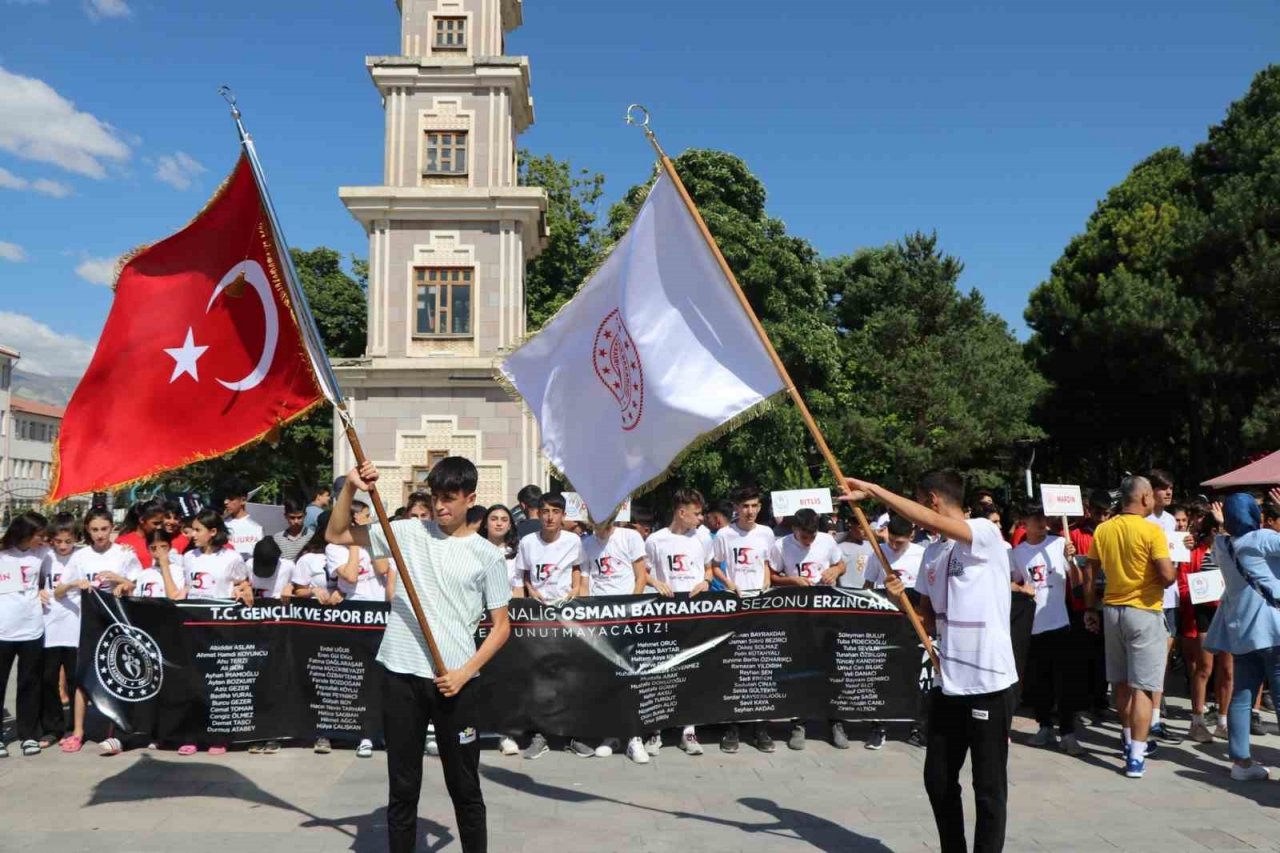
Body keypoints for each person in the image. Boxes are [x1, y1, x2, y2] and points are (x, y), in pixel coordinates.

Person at [327, 457, 512, 853]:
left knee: (464, 786)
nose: (441, 506)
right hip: (400, 675)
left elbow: (501, 628)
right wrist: (351, 488)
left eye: (450, 498)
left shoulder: (488, 555)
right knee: (403, 786)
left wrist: (465, 673)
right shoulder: (407, 533)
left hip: (455, 684)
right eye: (435, 498)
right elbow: (337, 533)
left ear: (471, 498)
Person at [842, 470, 1017, 853]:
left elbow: (934, 522)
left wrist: (874, 490)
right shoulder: (934, 554)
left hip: (988, 684)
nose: (920, 512)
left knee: (988, 789)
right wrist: (900, 599)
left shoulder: (985, 534)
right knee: (937, 778)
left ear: (932, 499)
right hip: (947, 681)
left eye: (920, 501)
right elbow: (927, 618)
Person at [1084, 475, 1176, 779]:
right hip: (1144, 611)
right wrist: (1170, 570)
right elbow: (1166, 575)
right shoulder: (1152, 531)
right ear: (1145, 498)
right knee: (1144, 687)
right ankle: (1136, 753)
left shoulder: (1103, 529)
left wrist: (1089, 607)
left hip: (1112, 610)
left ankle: (1126, 738)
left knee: (1121, 682)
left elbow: (1090, 572)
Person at [1204, 492, 1280, 781]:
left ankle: (1241, 763)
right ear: (1254, 516)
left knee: (1241, 695)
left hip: (1241, 632)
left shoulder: (1222, 545)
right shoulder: (1262, 539)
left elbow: (1230, 536)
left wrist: (1226, 524)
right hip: (1273, 630)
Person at [172, 509, 253, 757]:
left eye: (198, 530)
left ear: (213, 532)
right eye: (192, 530)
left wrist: (243, 592)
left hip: (220, 630)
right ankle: (192, 735)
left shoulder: (231, 558)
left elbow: (243, 584)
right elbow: (187, 586)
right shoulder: (189, 557)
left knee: (218, 684)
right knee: (193, 684)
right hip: (193, 627)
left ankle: (220, 736)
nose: (192, 535)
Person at [581, 515, 661, 763]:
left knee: (632, 678)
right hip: (601, 620)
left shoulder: (630, 536)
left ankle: (634, 737)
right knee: (607, 680)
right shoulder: (584, 543)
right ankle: (611, 734)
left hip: (628, 618)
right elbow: (585, 582)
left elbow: (640, 576)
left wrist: (631, 607)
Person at [769, 507, 848, 750]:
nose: (809, 541)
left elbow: (841, 564)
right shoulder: (781, 546)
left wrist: (834, 570)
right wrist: (790, 580)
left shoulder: (827, 541)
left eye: (812, 537)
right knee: (800, 667)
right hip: (797, 614)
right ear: (794, 529)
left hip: (827, 611)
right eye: (804, 537)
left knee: (832, 667)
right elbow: (771, 575)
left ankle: (836, 723)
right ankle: (798, 723)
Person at [512, 492, 584, 759]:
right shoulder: (528, 542)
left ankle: (572, 733)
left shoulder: (574, 541)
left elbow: (579, 572)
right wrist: (527, 599)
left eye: (556, 511)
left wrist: (575, 593)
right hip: (537, 618)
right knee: (539, 677)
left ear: (563, 515)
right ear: (538, 514)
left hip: (567, 617)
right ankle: (540, 733)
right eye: (545, 511)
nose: (550, 516)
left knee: (569, 676)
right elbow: (522, 576)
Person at [644, 488, 713, 757]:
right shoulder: (655, 540)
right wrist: (655, 582)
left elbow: (709, 568)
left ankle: (688, 730)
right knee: (662, 671)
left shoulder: (704, 538)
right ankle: (656, 730)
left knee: (691, 671)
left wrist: (705, 582)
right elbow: (644, 572)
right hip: (665, 614)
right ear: (681, 513)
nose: (701, 518)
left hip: (695, 613)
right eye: (696, 514)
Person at [709, 485, 777, 753]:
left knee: (760, 667)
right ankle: (732, 727)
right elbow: (714, 566)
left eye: (754, 506)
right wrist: (729, 585)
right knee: (734, 667)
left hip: (760, 607)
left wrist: (763, 591)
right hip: (734, 607)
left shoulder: (767, 533)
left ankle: (760, 728)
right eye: (745, 506)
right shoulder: (724, 535)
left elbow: (767, 566)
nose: (750, 511)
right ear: (736, 508)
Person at [1009, 504, 1082, 756]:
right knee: (1039, 681)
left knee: (1065, 681)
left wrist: (1073, 560)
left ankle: (1069, 732)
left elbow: (1078, 580)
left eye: (1044, 518)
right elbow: (1006, 580)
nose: (1042, 523)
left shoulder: (1059, 544)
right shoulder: (1017, 553)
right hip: (1032, 625)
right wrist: (1020, 589)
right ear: (1024, 523)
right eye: (1035, 519)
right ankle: (1044, 726)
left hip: (1059, 622)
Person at [0, 511, 51, 759]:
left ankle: (28, 735)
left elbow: (68, 558)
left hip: (32, 627)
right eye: (39, 535)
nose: (42, 539)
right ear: (25, 533)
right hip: (2, 629)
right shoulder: (2, 553)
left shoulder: (42, 554)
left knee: (30, 684)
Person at [1181, 502, 1231, 743]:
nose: (1222, 533)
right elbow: (1183, 583)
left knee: (1228, 670)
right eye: (1219, 529)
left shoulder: (1230, 550)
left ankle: (1223, 721)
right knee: (1205, 668)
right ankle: (1197, 721)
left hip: (1228, 612)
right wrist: (1199, 590)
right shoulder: (1195, 551)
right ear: (1212, 531)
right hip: (1203, 613)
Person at [1143, 469, 1181, 743]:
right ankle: (1144, 718)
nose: (1168, 493)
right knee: (1149, 661)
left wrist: (1184, 546)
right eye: (1163, 488)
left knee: (1163, 659)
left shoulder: (1171, 520)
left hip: (1171, 598)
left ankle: (1156, 714)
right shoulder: (1143, 521)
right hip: (1148, 599)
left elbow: (1175, 559)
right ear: (1150, 491)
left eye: (1171, 488)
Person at [40, 514, 80, 751]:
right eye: (58, 541)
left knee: (76, 680)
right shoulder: (44, 557)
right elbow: (31, 581)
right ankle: (52, 727)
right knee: (48, 679)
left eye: (68, 540)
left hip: (75, 627)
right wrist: (37, 592)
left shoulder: (81, 557)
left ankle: (75, 728)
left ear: (76, 538)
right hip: (48, 627)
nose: (63, 546)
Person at [114, 499, 166, 569]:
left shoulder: (164, 539)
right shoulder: (124, 542)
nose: (159, 527)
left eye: (161, 523)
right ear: (142, 520)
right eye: (155, 523)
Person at [222, 481, 264, 567]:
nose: (225, 502)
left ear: (243, 500)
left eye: (231, 498)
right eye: (225, 498)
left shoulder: (257, 527)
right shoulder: (222, 525)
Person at [272, 499, 312, 563]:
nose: (296, 521)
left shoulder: (311, 537)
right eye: (292, 518)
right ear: (285, 516)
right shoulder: (277, 538)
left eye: (299, 517)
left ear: (305, 515)